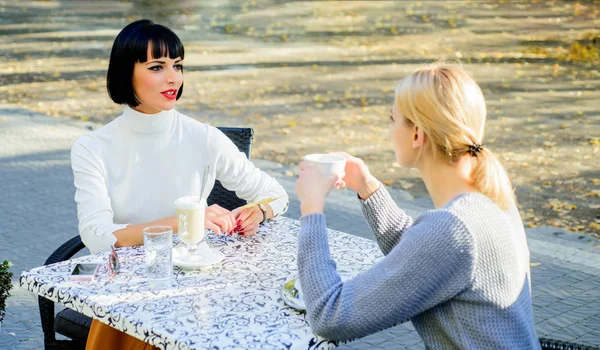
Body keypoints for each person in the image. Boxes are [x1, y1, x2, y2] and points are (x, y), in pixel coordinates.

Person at [71, 19, 289, 349]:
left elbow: (276, 194)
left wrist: (259, 211)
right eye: (157, 67)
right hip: (130, 297)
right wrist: (184, 222)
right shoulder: (93, 148)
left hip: (197, 289)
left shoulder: (202, 137)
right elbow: (98, 237)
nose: (173, 77)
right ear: (124, 73)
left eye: (178, 65)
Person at [295, 63, 539, 349]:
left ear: (416, 135)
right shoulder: (492, 195)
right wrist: (367, 187)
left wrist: (311, 208)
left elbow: (331, 315)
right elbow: (425, 258)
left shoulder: (454, 228)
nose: (390, 130)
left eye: (393, 119)